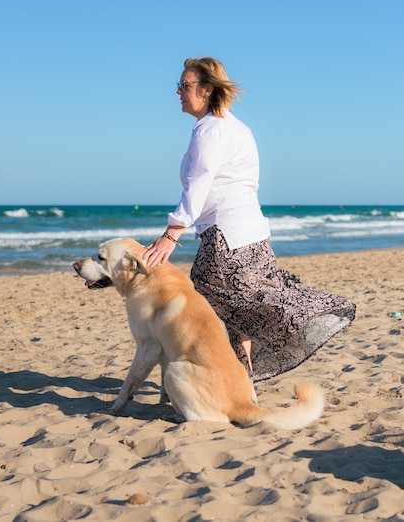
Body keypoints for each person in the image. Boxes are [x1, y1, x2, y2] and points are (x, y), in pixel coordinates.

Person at [144, 57, 355, 381]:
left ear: (207, 89)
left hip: (226, 238)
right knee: (235, 308)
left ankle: (296, 324)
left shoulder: (210, 130)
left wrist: (171, 234)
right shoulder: (237, 127)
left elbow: (200, 184)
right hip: (254, 235)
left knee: (213, 301)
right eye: (179, 86)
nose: (179, 92)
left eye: (185, 86)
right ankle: (243, 380)